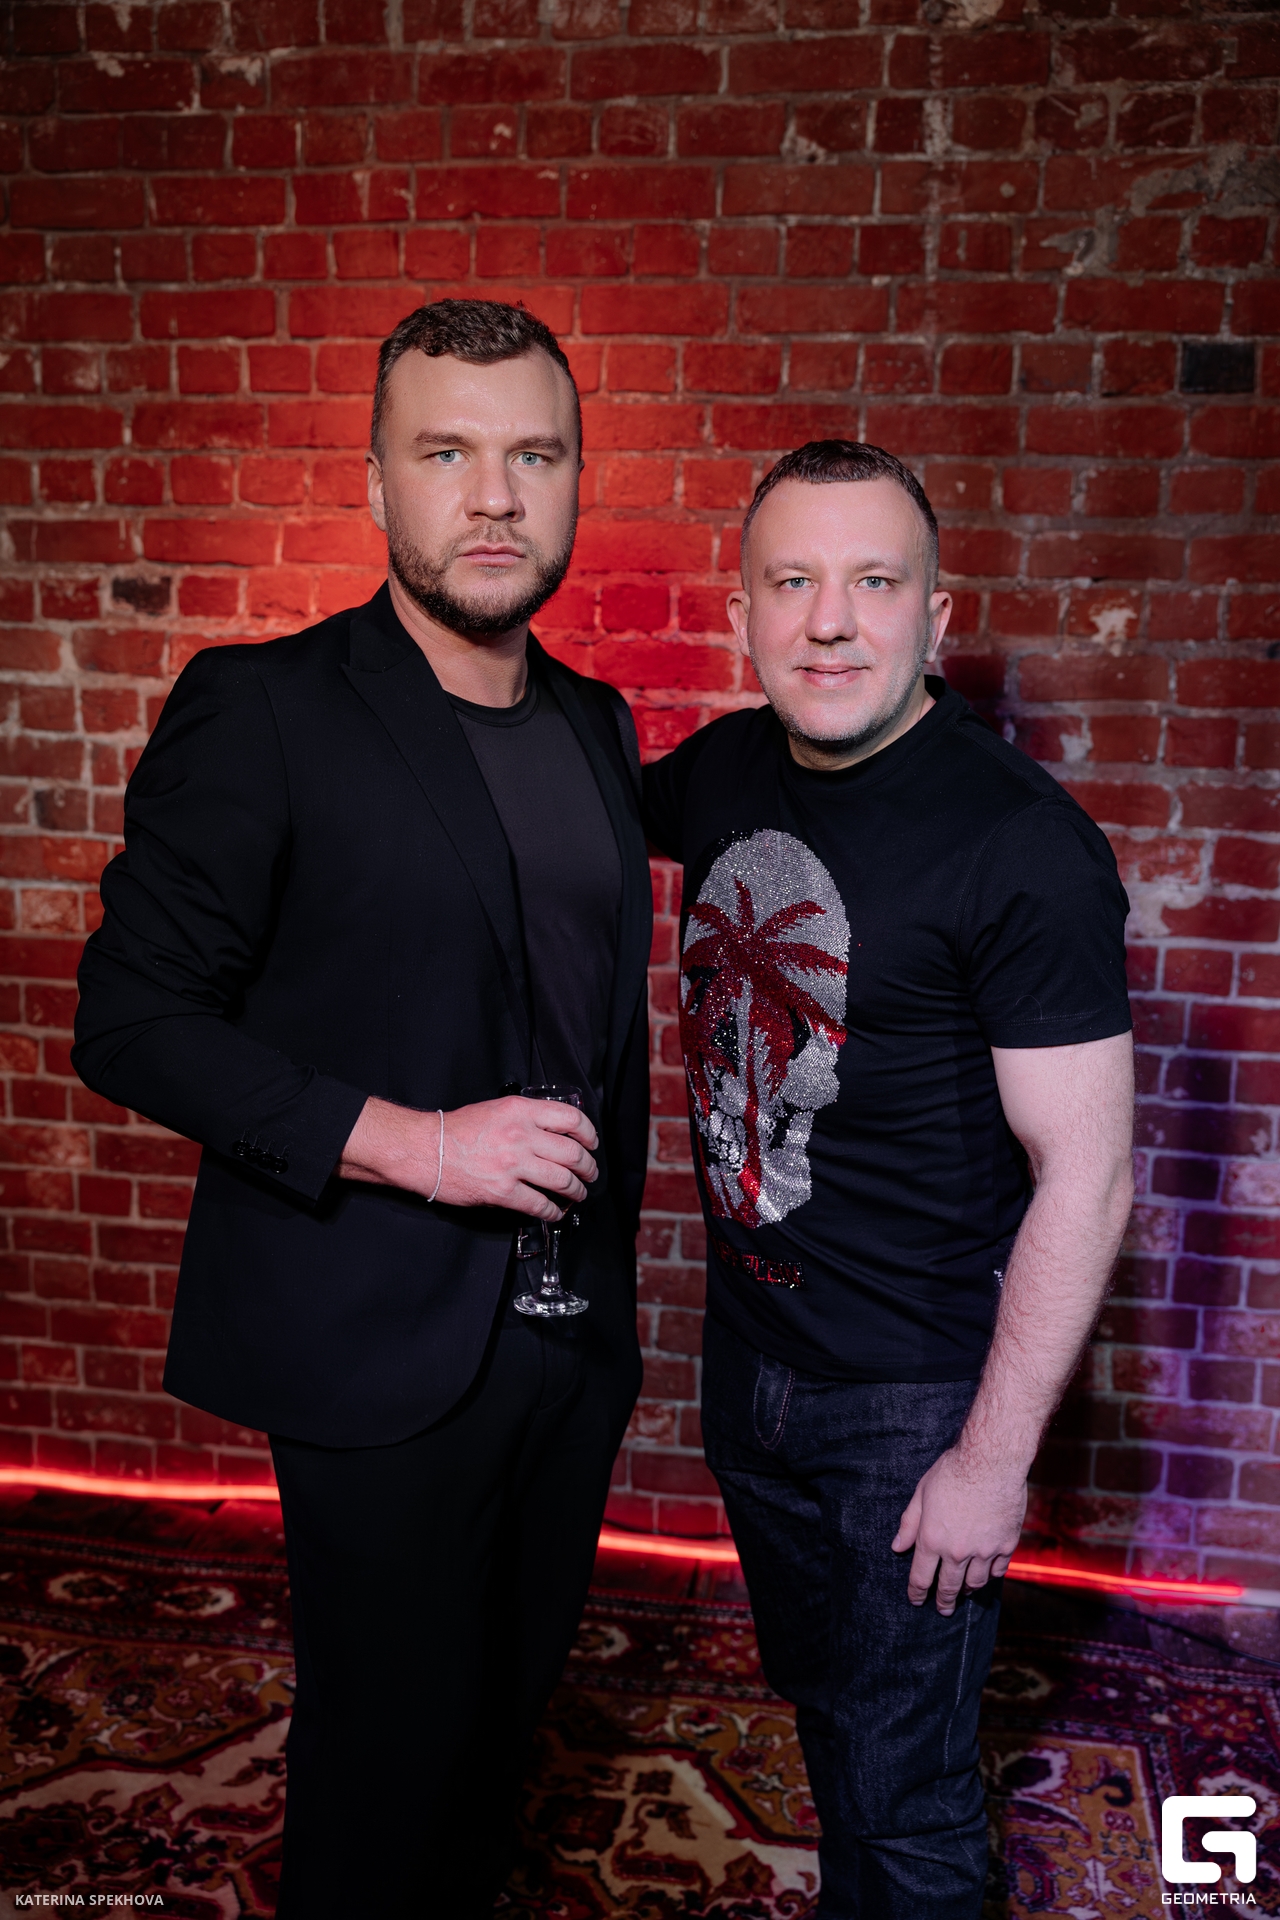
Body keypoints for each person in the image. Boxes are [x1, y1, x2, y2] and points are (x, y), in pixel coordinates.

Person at [72, 299, 651, 1918]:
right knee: (386, 1763)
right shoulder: (263, 707)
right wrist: (421, 1145)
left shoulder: (599, 723)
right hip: (376, 1336)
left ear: (576, 479)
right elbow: (129, 1020)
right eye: (446, 454)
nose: (494, 497)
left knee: (500, 1737)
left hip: (570, 1341)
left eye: (534, 455)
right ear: (378, 482)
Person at [642, 440, 1134, 1918]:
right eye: (791, 581)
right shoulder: (723, 771)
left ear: (934, 616)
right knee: (831, 1716)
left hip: (913, 1406)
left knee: (905, 1799)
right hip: (753, 1362)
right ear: (740, 611)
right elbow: (532, 792)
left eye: (873, 581)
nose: (829, 621)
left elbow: (1089, 1175)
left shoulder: (1021, 845)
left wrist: (990, 1461)